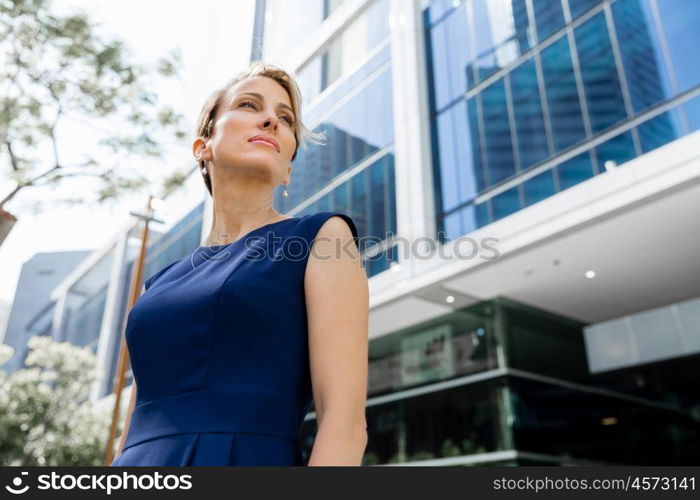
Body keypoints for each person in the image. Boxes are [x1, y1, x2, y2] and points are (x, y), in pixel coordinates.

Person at [110, 61, 369, 466]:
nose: (271, 120)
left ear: (288, 168)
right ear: (204, 146)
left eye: (286, 119)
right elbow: (131, 433)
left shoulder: (322, 238)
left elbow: (345, 425)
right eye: (249, 104)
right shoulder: (157, 284)